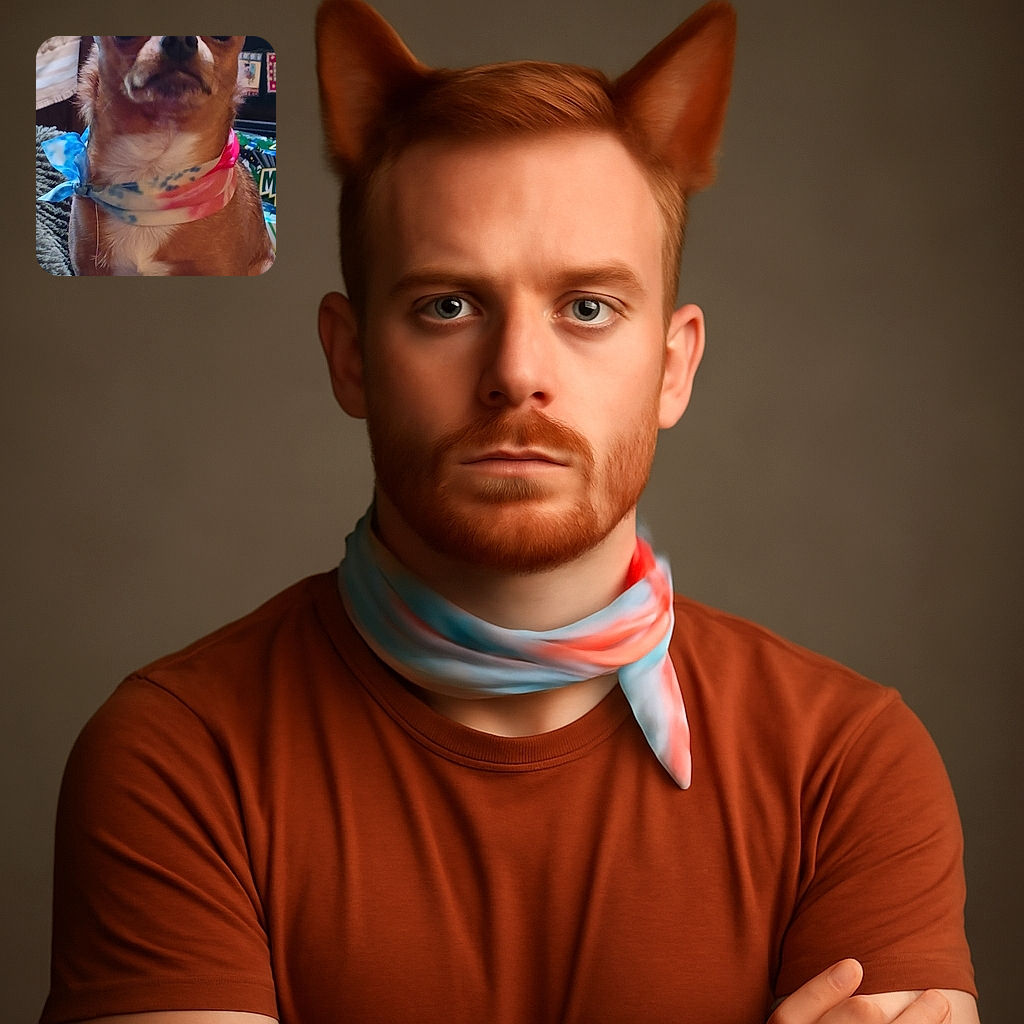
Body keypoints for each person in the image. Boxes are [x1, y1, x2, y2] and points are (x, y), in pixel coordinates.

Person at [40, 2, 978, 1022]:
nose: (516, 375)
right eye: (448, 304)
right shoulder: (180, 757)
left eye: (587, 307)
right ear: (350, 357)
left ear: (673, 367)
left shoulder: (846, 766)